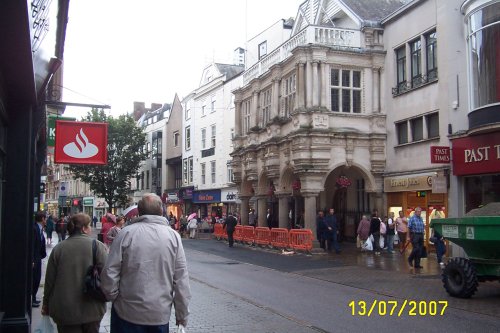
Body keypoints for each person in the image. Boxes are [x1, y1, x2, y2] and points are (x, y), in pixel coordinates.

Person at [101, 193, 191, 333]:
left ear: (139, 212)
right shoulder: (173, 237)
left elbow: (110, 272)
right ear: (161, 211)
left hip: (126, 312)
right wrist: (182, 316)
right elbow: (181, 281)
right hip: (159, 314)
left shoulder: (125, 234)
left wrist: (113, 297)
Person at [42, 213, 108, 332]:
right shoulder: (97, 246)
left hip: (65, 310)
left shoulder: (59, 249)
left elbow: (49, 280)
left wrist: (46, 303)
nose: (90, 229)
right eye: (89, 226)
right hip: (92, 308)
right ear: (83, 228)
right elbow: (107, 274)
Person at [32, 211, 47, 307]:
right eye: (45, 218)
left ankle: (33, 297)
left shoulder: (39, 229)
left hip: (38, 257)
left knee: (37, 278)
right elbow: (32, 245)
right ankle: (32, 298)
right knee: (34, 279)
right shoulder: (34, 229)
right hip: (35, 259)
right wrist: (32, 260)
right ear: (42, 219)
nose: (45, 220)